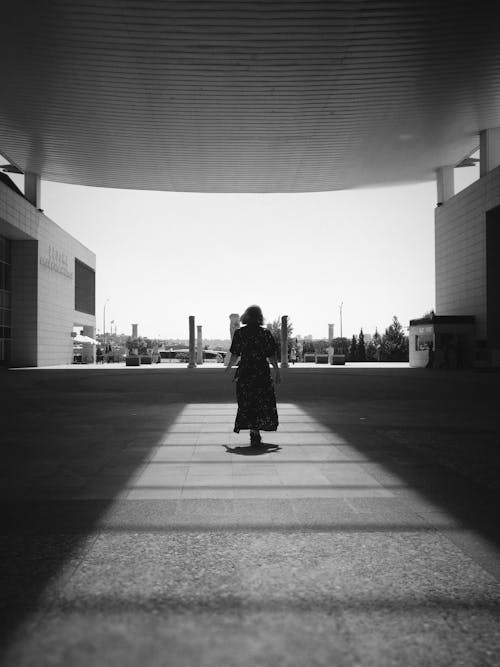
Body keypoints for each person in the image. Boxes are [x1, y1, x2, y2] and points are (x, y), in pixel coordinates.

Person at [225, 305, 281, 445]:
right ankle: (255, 430)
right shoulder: (265, 333)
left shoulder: (240, 333)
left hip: (246, 371)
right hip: (261, 371)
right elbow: (272, 355)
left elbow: (235, 353)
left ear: (246, 316)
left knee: (247, 400)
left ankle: (253, 430)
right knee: (262, 400)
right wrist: (277, 371)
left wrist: (229, 368)